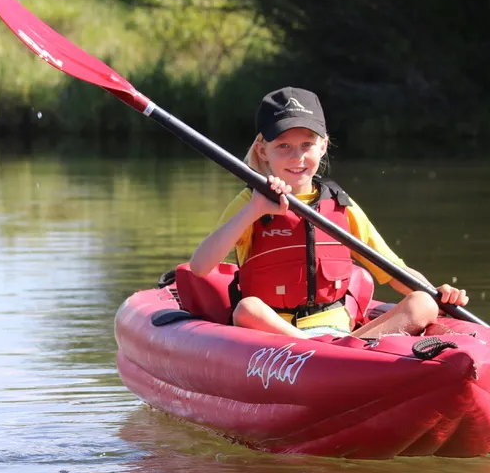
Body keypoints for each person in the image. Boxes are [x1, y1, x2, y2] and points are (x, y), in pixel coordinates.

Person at [188, 87, 468, 340]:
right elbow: (200, 267)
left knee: (423, 303)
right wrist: (254, 210)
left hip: (338, 333)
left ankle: (346, 351)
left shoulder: (340, 205)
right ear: (262, 151)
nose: (297, 157)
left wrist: (438, 293)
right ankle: (321, 352)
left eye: (307, 145)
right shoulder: (250, 202)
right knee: (247, 309)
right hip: (277, 333)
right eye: (283, 146)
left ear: (322, 146)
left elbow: (394, 270)